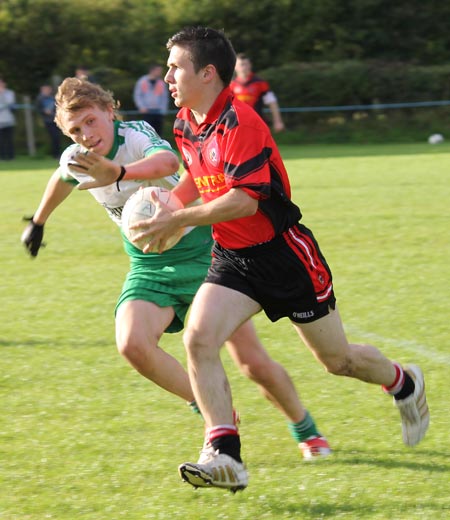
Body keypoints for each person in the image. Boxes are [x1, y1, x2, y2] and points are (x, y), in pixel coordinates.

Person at [129, 26, 430, 492]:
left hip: (285, 255)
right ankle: (225, 455)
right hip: (233, 257)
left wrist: (179, 218)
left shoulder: (241, 123)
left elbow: (244, 200)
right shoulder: (187, 122)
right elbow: (199, 175)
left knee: (337, 360)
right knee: (198, 339)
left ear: (207, 73)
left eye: (175, 67)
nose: (166, 76)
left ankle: (404, 384)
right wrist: (170, 204)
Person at [21, 77, 332, 463]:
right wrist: (38, 221)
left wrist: (117, 171)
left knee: (251, 362)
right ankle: (211, 410)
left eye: (90, 121)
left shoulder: (134, 135)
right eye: (75, 130)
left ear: (109, 111)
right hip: (148, 261)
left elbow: (169, 162)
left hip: (205, 253)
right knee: (132, 344)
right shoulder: (78, 156)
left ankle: (305, 429)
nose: (86, 135)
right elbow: (62, 176)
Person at [230, 53, 285, 133]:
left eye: (246, 64)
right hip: (237, 124)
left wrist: (277, 121)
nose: (244, 67)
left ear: (250, 65)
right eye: (241, 64)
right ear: (235, 67)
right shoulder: (232, 85)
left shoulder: (260, 83)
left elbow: (272, 102)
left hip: (257, 123)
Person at [133, 64, 169, 136]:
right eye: (158, 70)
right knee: (147, 133)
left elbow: (164, 97)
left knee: (158, 134)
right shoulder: (142, 81)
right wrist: (141, 107)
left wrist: (163, 110)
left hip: (158, 112)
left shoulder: (161, 83)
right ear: (152, 71)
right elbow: (138, 95)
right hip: (147, 112)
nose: (160, 72)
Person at [36, 84, 61, 158]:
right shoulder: (39, 99)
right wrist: (44, 111)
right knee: (54, 137)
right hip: (48, 121)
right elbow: (38, 109)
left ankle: (58, 153)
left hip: (56, 120)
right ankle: (55, 154)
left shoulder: (53, 98)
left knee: (57, 137)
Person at [0, 77, 16, 160]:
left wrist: (2, 94)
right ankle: (2, 157)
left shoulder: (10, 93)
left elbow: (10, 103)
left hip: (9, 120)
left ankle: (11, 156)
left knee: (9, 140)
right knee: (1, 140)